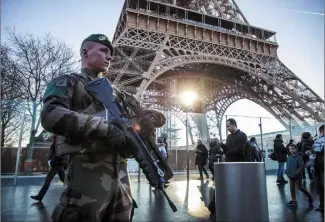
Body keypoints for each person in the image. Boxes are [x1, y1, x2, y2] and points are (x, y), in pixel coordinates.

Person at [41, 34, 166, 222]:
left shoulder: (120, 95)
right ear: (85, 52)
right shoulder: (69, 82)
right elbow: (50, 114)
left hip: (121, 178)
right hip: (86, 171)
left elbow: (143, 116)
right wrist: (104, 127)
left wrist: (152, 119)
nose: (110, 57)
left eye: (110, 53)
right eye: (103, 50)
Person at [30, 134, 66, 201]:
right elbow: (54, 153)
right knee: (63, 179)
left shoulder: (58, 144)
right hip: (58, 163)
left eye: (53, 136)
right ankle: (73, 190)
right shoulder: (56, 144)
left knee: (48, 180)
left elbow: (59, 154)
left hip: (57, 163)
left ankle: (40, 196)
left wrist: (53, 161)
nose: (52, 137)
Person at [306, 125, 324, 212]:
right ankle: (322, 205)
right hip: (319, 166)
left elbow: (314, 152)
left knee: (320, 187)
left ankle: (322, 205)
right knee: (320, 187)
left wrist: (311, 152)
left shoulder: (317, 141)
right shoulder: (318, 141)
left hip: (318, 166)